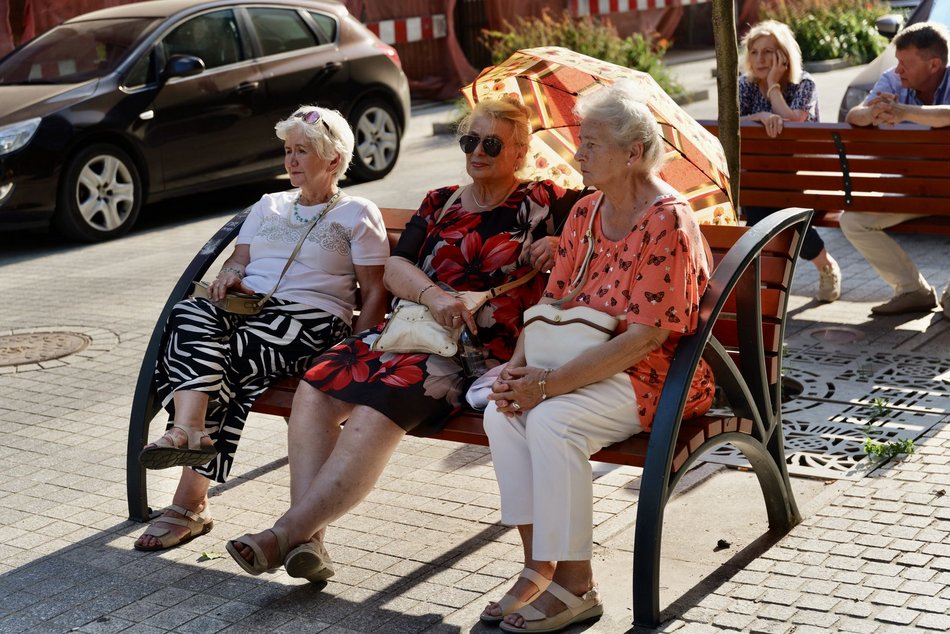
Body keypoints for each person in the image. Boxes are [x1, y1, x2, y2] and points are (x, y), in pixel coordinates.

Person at [225, 96, 579, 580]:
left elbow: (604, 230)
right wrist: (434, 296)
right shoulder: (441, 201)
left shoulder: (549, 201)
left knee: (376, 408)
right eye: (469, 140)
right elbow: (394, 266)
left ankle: (285, 534)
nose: (476, 151)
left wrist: (564, 241)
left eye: (491, 143)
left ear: (520, 152)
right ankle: (311, 542)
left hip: (471, 350)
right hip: (408, 327)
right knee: (316, 385)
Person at [480, 81, 716, 632]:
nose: (578, 154)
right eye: (580, 142)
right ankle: (539, 566)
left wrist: (549, 385)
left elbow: (647, 339)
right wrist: (519, 368)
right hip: (579, 363)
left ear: (633, 152)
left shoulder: (668, 221)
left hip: (657, 377)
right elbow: (550, 302)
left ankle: (577, 584)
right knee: (503, 409)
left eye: (591, 144)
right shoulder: (585, 211)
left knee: (553, 421)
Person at [134, 106, 390, 551]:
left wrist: (360, 349)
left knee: (225, 356)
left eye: (302, 151)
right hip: (248, 308)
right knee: (188, 316)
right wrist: (230, 274)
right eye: (288, 151)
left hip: (311, 322)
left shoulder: (357, 213)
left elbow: (373, 294)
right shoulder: (268, 205)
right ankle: (191, 429)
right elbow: (239, 260)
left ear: (333, 160)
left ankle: (190, 501)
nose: (290, 161)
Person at [844, 21, 950, 318]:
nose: (898, 69)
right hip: (909, 192)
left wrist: (905, 113)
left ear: (934, 64)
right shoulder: (893, 80)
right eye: (898, 62)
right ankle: (911, 289)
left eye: (906, 63)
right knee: (853, 221)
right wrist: (872, 113)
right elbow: (856, 114)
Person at [739, 19, 841, 303]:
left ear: (784, 55)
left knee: (784, 218)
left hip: (803, 178)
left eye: (768, 52)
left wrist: (773, 87)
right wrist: (758, 117)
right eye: (755, 52)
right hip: (760, 177)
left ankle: (823, 267)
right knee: (763, 216)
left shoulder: (803, 84)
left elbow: (795, 120)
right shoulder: (745, 86)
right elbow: (731, 121)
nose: (760, 59)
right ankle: (774, 287)